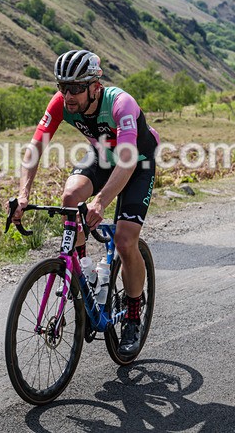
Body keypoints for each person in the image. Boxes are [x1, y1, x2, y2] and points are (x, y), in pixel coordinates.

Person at [10, 49, 159, 356]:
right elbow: (36, 146)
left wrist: (101, 202)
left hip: (137, 161)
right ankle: (86, 272)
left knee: (124, 239)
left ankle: (132, 312)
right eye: (62, 87)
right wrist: (23, 194)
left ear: (95, 86)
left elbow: (128, 161)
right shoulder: (62, 102)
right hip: (104, 155)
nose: (69, 95)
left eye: (76, 88)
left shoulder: (120, 103)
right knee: (70, 198)